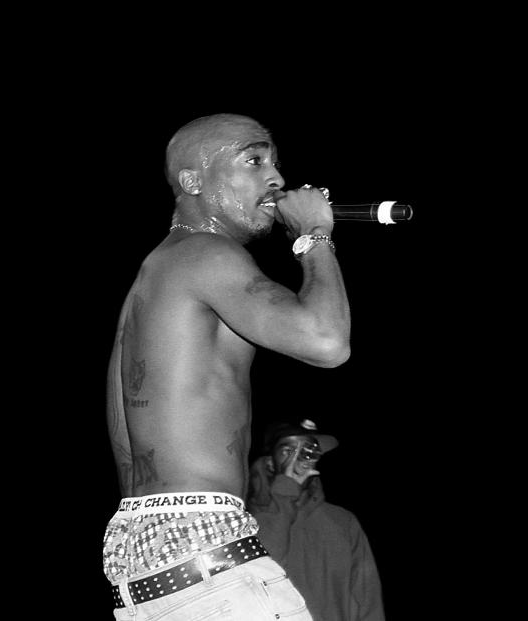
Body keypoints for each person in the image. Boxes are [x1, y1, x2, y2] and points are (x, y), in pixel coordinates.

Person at [102, 113, 351, 620]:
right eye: (254, 160)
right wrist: (315, 235)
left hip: (151, 578)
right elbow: (326, 341)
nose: (277, 179)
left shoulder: (160, 269)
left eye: (276, 163)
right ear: (192, 182)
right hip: (212, 572)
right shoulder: (206, 253)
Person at [247, 419, 385, 621]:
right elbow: (261, 572)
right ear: (269, 462)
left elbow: (367, 597)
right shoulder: (247, 521)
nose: (298, 458)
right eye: (288, 450)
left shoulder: (342, 521)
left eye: (307, 450)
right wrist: (285, 490)